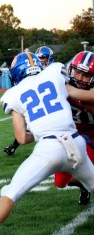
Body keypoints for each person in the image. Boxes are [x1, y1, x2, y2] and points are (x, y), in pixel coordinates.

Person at [0, 52, 94, 235]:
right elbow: (75, 93)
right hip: (75, 141)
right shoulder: (55, 71)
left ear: (15, 73)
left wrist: (39, 132)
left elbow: (22, 138)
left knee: (10, 192)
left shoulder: (12, 94)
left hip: (49, 149)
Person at [55, 50, 94, 205]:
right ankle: (84, 186)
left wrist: (73, 93)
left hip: (92, 133)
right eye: (77, 72)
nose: (79, 78)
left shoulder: (67, 87)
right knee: (61, 182)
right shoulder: (62, 81)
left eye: (85, 75)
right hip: (71, 135)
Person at [3, 46, 55, 156]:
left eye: (44, 58)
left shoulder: (53, 72)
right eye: (39, 58)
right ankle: (13, 147)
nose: (42, 60)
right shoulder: (56, 73)